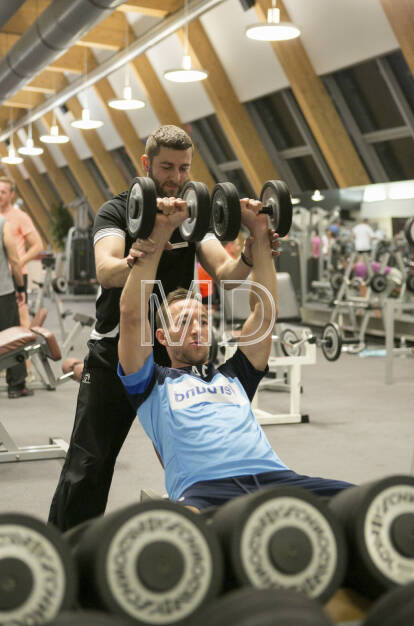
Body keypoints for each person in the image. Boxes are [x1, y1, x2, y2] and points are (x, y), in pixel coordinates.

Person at [48, 124, 279, 530]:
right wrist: (144, 254)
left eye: (184, 167)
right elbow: (106, 270)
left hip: (173, 348)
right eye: (167, 167)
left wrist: (251, 250)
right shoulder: (118, 211)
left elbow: (226, 274)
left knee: (194, 448)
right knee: (90, 461)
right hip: (118, 348)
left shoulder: (194, 214)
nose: (176, 177)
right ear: (146, 164)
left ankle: (208, 533)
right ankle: (64, 550)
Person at [117, 193, 353, 512]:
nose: (197, 328)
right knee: (183, 531)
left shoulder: (233, 376)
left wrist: (259, 232)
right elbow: (131, 315)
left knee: (371, 503)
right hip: (203, 489)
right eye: (184, 321)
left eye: (202, 319)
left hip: (273, 480)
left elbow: (265, 314)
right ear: (162, 336)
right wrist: (159, 233)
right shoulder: (149, 384)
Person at [0, 177, 43, 328]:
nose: (0, 195)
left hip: (16, 273)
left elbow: (38, 245)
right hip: (1, 274)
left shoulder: (20, 217)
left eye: (3, 192)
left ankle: (25, 348)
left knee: (22, 316)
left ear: (12, 194)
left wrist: (19, 262)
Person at [0, 215, 33, 398]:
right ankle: (16, 385)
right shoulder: (2, 223)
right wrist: (21, 287)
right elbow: (14, 260)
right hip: (3, 292)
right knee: (11, 339)